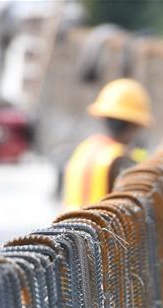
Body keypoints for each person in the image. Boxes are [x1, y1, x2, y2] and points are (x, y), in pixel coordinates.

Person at [62, 78, 152, 209]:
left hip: (70, 226)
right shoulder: (122, 161)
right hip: (104, 228)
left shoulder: (83, 149)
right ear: (134, 126)